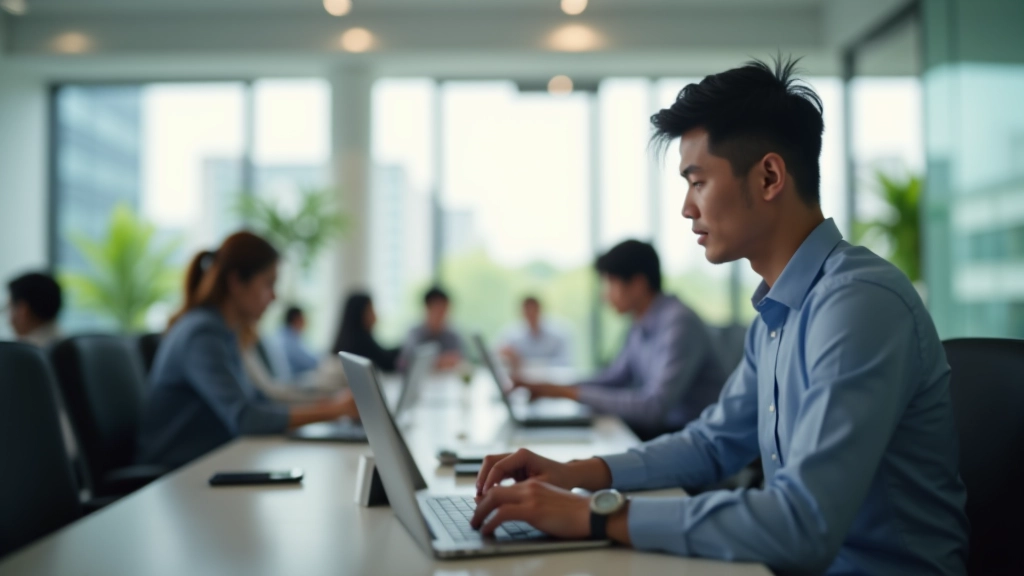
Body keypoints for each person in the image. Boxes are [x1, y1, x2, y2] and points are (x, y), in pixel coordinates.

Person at [471, 58, 969, 575]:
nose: (687, 208)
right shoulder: (777, 312)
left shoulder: (858, 304)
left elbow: (804, 525)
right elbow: (711, 445)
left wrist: (595, 514)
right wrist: (575, 474)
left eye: (698, 182)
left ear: (769, 176)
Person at [137, 232, 357, 469]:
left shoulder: (226, 333)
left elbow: (259, 401)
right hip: (175, 473)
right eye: (268, 284)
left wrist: (326, 405)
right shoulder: (202, 334)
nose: (274, 297)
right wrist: (335, 410)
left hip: (211, 461)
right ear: (236, 282)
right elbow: (245, 418)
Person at [512, 240, 726, 440]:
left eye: (610, 283)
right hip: (666, 434)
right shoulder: (640, 322)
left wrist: (568, 393)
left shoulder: (679, 323)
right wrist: (553, 388)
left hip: (693, 438)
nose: (605, 296)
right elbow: (615, 378)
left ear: (638, 284)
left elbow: (654, 408)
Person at [333, 292, 401, 372]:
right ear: (359, 313)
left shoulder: (347, 340)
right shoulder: (360, 342)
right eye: (370, 310)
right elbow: (386, 362)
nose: (375, 315)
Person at [399, 286, 464, 371]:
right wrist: (437, 362)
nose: (443, 315)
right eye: (438, 310)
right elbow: (405, 362)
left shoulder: (452, 335)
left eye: (445, 310)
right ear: (427, 308)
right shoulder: (415, 333)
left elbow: (461, 360)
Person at [498, 296, 573, 367]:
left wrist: (525, 363)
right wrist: (507, 359)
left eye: (534, 310)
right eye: (527, 311)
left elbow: (565, 362)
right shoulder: (511, 335)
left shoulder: (559, 334)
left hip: (552, 376)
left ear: (540, 310)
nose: (531, 314)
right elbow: (497, 358)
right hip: (521, 377)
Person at [6, 271, 62, 348]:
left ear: (23, 310)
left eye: (10, 307)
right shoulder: (65, 342)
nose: (9, 320)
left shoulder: (25, 351)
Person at [276, 305, 319, 377]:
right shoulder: (290, 339)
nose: (305, 323)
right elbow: (311, 362)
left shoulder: (283, 333)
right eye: (303, 319)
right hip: (291, 379)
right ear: (296, 319)